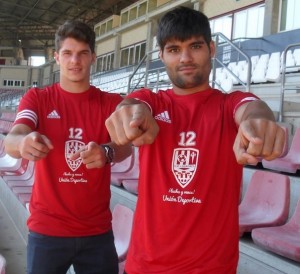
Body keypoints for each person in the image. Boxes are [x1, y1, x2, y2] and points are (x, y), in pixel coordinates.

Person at [105, 6, 286, 274]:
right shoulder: (152, 102)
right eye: (174, 49)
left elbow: (251, 109)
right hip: (146, 265)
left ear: (212, 49)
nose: (186, 58)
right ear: (162, 56)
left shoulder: (230, 104)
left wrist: (258, 122)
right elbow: (132, 104)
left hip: (212, 267)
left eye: (195, 46)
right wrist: (129, 113)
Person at [4, 20, 131, 274]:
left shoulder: (110, 103)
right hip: (47, 229)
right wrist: (24, 142)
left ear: (93, 57)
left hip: (97, 231)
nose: (75, 61)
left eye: (83, 53)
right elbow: (13, 139)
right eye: (68, 53)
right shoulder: (38, 98)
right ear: (56, 58)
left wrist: (106, 152)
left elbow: (124, 147)